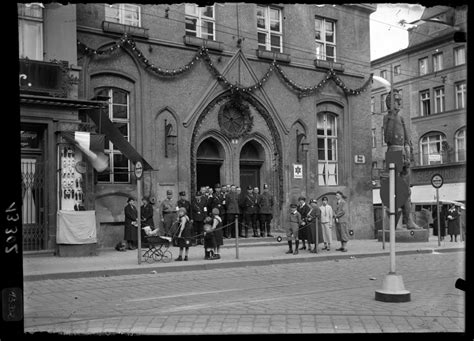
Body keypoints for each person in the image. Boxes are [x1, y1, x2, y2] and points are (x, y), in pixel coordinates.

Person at [383, 89, 420, 229]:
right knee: (394, 189)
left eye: (399, 100)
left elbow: (406, 137)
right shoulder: (387, 118)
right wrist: (392, 116)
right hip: (393, 150)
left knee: (406, 190)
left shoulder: (402, 118)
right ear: (390, 103)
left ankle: (408, 221)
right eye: (396, 100)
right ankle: (395, 223)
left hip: (403, 152)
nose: (399, 103)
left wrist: (408, 150)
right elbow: (387, 137)